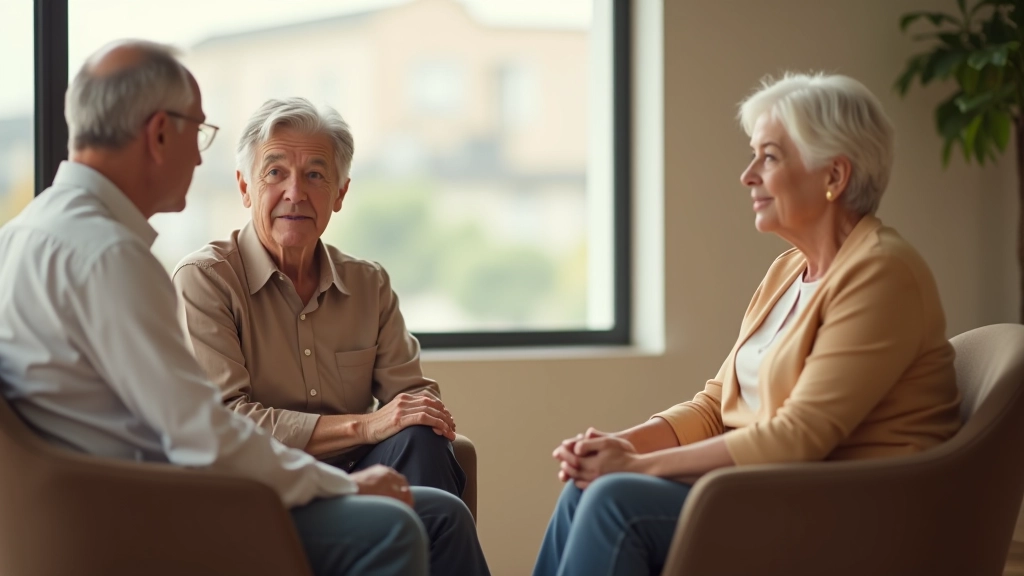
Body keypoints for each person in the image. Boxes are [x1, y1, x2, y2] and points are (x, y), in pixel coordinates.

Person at [0, 39, 488, 576]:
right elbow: (202, 433)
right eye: (199, 131)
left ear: (341, 191)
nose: (198, 154)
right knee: (417, 520)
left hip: (98, 505)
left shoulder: (25, 234)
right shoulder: (110, 255)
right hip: (145, 512)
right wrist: (343, 482)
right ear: (160, 133)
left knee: (432, 503)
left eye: (316, 176)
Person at [533, 72, 962, 576]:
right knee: (586, 488)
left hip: (848, 514)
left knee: (614, 500)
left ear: (834, 176)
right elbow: (718, 406)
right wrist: (620, 446)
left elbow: (799, 436)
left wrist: (637, 468)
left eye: (770, 156)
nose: (748, 174)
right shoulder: (787, 270)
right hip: (772, 493)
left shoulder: (881, 272)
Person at [171, 97, 465, 498]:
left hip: (363, 478)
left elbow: (413, 399)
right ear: (245, 187)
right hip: (265, 489)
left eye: (314, 175)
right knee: (441, 517)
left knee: (422, 435)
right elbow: (225, 420)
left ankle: (412, 553)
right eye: (275, 173)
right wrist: (364, 426)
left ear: (340, 193)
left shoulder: (369, 284)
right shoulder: (206, 280)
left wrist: (410, 414)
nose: (295, 193)